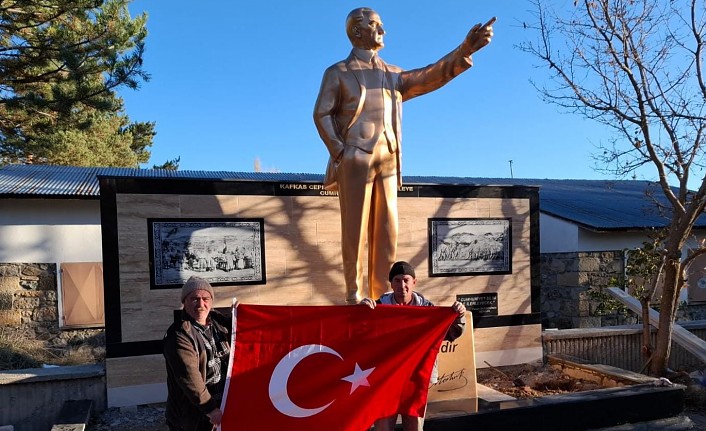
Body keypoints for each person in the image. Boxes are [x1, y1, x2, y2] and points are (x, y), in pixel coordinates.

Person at [313, 7, 495, 304]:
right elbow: (322, 114)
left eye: (382, 25)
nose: (382, 30)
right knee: (354, 230)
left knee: (388, 230)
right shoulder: (338, 73)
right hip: (355, 157)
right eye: (375, 25)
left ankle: (382, 294)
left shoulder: (393, 75)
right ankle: (355, 294)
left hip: (387, 158)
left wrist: (465, 49)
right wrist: (340, 151)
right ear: (356, 32)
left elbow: (430, 75)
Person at [359, 261, 467, 431]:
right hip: (387, 377)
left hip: (416, 378)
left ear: (414, 282)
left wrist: (458, 316)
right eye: (397, 280)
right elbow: (358, 334)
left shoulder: (428, 309)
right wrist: (360, 313)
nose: (402, 285)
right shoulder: (378, 307)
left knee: (414, 426)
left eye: (406, 280)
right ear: (391, 283)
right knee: (383, 426)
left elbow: (452, 334)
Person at [163, 276, 232, 431]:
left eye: (205, 298)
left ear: (211, 301)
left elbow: (247, 329)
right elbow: (189, 377)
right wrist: (210, 408)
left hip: (222, 407)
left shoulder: (217, 323)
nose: (201, 304)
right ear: (184, 302)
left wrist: (243, 313)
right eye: (194, 299)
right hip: (194, 417)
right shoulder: (179, 334)